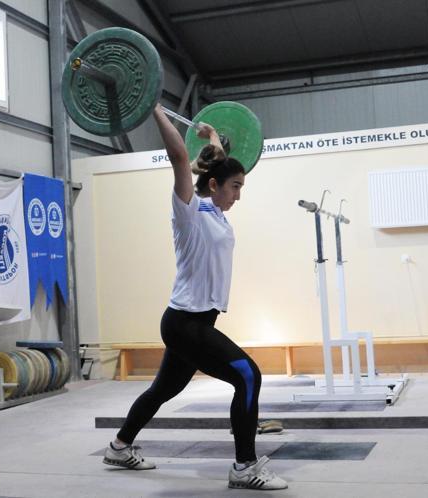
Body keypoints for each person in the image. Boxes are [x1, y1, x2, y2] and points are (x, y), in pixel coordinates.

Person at [102, 105, 287, 491]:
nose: (238, 195)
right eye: (235, 187)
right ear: (215, 186)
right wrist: (154, 108)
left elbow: (215, 161)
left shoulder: (215, 210)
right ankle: (245, 467)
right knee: (248, 375)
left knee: (164, 389)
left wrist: (213, 136)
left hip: (195, 321)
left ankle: (119, 447)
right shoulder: (189, 211)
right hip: (185, 322)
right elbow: (179, 157)